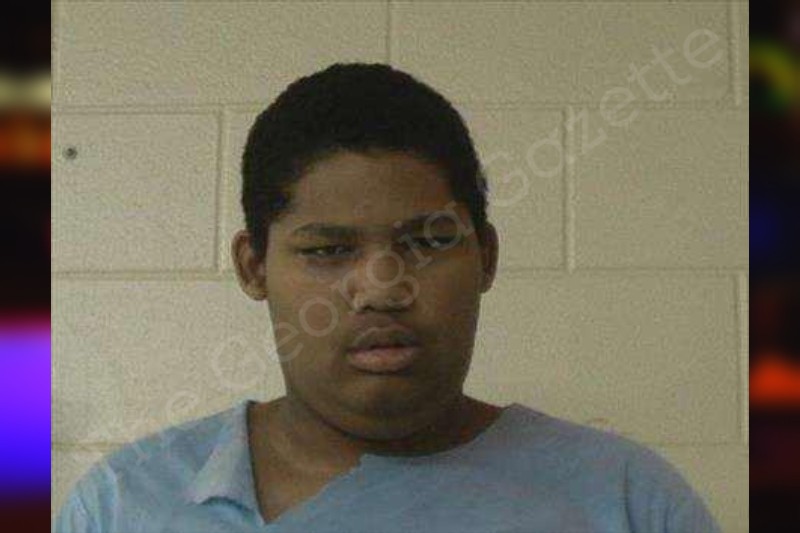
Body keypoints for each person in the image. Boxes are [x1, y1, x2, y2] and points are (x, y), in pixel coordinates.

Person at [54, 63, 721, 533]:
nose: (381, 287)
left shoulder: (628, 503)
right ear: (254, 267)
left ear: (486, 256)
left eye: (427, 241)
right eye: (327, 250)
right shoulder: (126, 506)